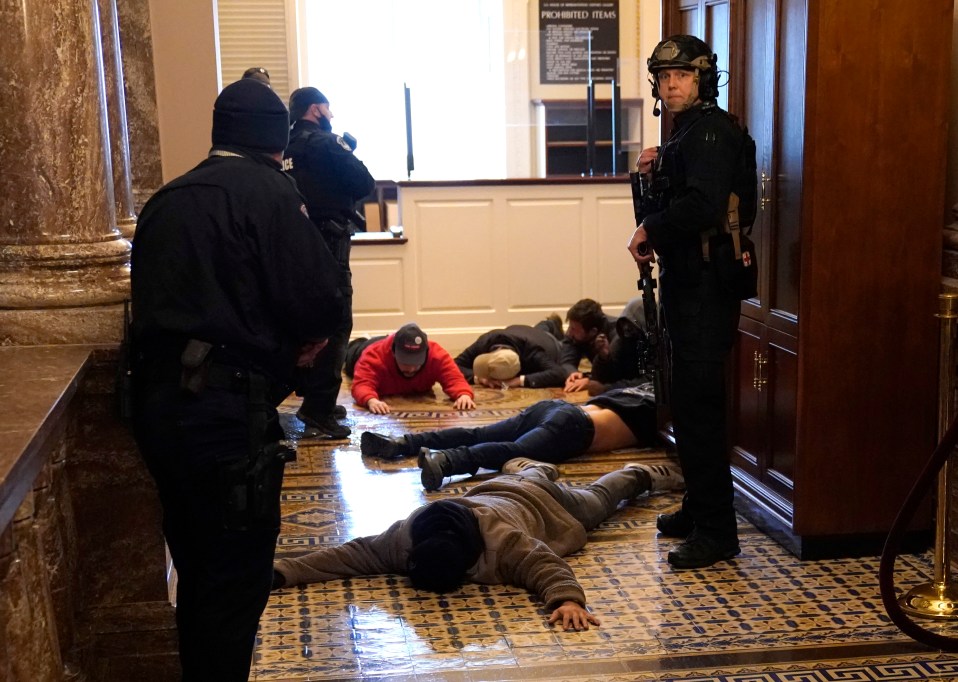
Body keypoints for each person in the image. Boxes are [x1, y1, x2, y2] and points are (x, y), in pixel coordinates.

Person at [130, 79, 349, 680]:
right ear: (275, 138)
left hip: (157, 408)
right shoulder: (271, 194)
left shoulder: (166, 199)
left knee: (195, 565)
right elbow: (319, 300)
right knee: (234, 578)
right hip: (229, 411)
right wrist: (301, 347)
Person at [271, 458, 683, 630]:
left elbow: (545, 565)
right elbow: (348, 555)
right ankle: (529, 467)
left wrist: (567, 600)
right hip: (497, 487)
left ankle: (639, 472)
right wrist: (282, 571)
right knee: (531, 474)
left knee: (599, 500)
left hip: (547, 506)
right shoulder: (405, 536)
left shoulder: (502, 542)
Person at [626, 35, 748, 569]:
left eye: (681, 75)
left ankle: (718, 531)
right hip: (687, 283)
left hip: (707, 288)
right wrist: (650, 175)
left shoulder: (713, 133)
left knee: (699, 411)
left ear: (703, 79)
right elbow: (679, 198)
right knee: (688, 405)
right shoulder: (686, 134)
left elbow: (700, 206)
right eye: (663, 77)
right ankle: (699, 508)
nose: (670, 84)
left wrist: (648, 225)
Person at [284, 87, 376, 439]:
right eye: (327, 108)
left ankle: (311, 394)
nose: (331, 115)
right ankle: (318, 409)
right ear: (314, 110)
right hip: (330, 242)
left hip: (294, 245)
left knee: (301, 320)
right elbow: (364, 182)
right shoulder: (326, 144)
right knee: (337, 321)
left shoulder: (286, 147)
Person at [360, 384, 659, 491]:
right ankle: (446, 462)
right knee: (514, 452)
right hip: (575, 426)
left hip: (555, 408)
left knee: (478, 432)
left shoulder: (639, 389)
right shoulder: (666, 406)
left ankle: (400, 444)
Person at [351, 322, 476, 414]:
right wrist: (371, 400)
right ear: (394, 353)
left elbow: (454, 378)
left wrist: (463, 394)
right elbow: (361, 384)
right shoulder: (373, 355)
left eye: (416, 362)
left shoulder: (436, 355)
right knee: (349, 350)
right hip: (360, 350)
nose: (411, 369)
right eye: (405, 362)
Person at [453, 322, 576, 389]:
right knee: (543, 326)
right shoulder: (485, 341)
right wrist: (480, 378)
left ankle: (552, 325)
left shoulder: (532, 352)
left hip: (549, 342)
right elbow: (453, 365)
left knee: (564, 341)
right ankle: (549, 323)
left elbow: (559, 373)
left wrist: (519, 381)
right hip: (521, 330)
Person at [560, 299, 619, 392]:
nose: (569, 332)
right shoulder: (574, 334)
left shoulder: (617, 334)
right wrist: (573, 374)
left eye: (573, 329)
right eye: (570, 326)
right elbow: (566, 361)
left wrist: (590, 381)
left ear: (593, 332)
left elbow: (620, 375)